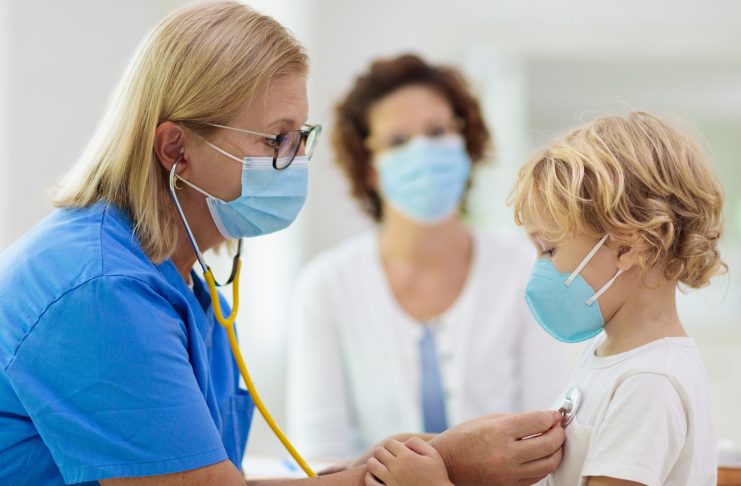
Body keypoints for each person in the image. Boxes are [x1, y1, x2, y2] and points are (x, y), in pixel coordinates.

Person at [0, 2, 565, 485]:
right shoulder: (101, 291)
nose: (294, 161)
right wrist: (447, 465)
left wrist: (374, 468)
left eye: (300, 137)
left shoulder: (183, 288)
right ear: (176, 150)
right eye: (276, 139)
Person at [365, 111, 723, 486]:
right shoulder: (609, 356)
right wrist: (445, 454)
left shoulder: (649, 382)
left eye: (549, 250)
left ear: (629, 247)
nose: (538, 268)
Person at [286, 54, 572, 460]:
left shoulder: (527, 270)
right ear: (369, 168)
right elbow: (320, 457)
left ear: (465, 142)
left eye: (437, 132)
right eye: (398, 142)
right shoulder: (327, 286)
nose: (422, 151)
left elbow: (550, 433)